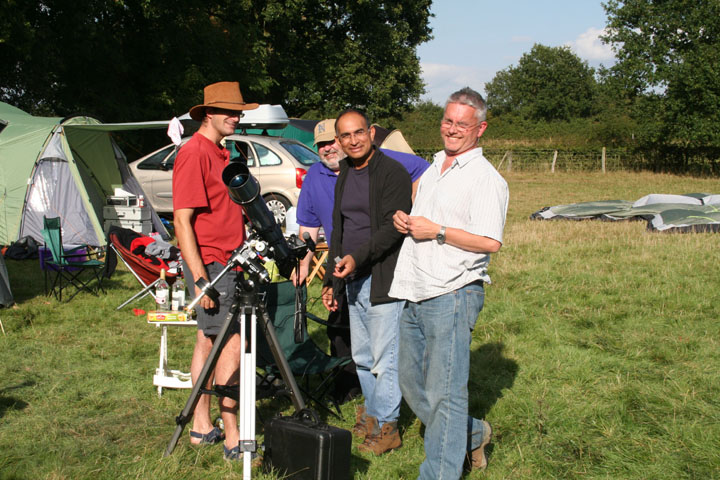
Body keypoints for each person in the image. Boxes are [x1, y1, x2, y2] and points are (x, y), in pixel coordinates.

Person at [389, 87, 509, 479]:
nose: (452, 129)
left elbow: (490, 241)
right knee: (411, 384)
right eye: (447, 120)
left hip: (453, 291)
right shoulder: (433, 166)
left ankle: (439, 473)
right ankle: (472, 433)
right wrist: (406, 221)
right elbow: (424, 221)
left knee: (445, 393)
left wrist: (437, 231)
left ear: (480, 129)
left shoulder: (486, 179)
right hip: (414, 286)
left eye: (462, 123)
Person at [291, 118, 429, 402]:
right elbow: (312, 229)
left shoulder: (385, 164)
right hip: (344, 266)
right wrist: (307, 265)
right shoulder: (319, 176)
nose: (329, 148)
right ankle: (355, 393)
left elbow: (425, 171)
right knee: (349, 341)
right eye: (322, 145)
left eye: (332, 141)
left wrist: (413, 208)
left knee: (385, 350)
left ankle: (387, 417)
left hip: (381, 266)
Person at [172, 81, 259, 461]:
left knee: (207, 341)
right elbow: (181, 220)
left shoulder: (221, 152)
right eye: (229, 111)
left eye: (239, 111)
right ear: (208, 113)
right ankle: (232, 434)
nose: (236, 117)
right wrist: (201, 277)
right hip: (210, 262)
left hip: (228, 258)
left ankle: (200, 426)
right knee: (233, 342)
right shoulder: (194, 153)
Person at [321, 109, 412, 455]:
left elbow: (393, 229)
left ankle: (388, 426)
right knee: (360, 356)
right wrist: (332, 278)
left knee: (384, 358)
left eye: (359, 132)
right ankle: (372, 417)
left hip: (383, 276)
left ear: (371, 132)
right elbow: (339, 228)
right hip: (352, 277)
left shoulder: (392, 173)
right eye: (345, 136)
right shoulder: (344, 171)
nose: (353, 140)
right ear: (339, 141)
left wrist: (357, 259)